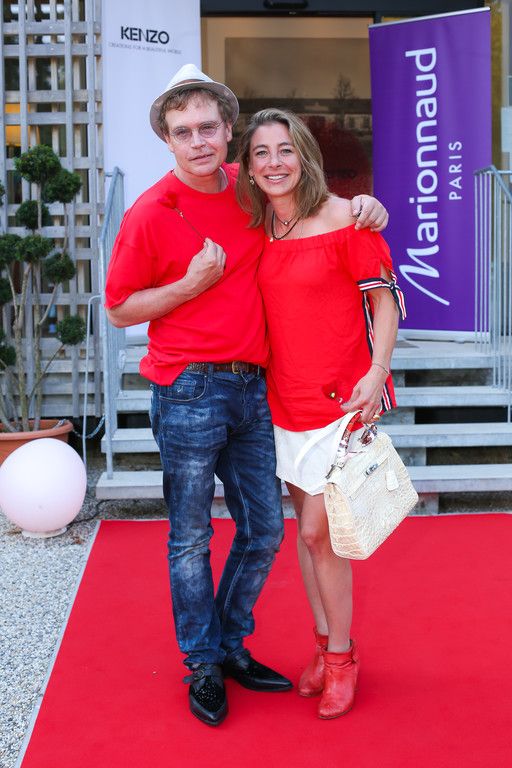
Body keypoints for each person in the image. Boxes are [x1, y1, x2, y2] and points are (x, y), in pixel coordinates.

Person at [104, 63, 389, 727]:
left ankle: (231, 644)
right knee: (191, 536)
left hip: (257, 386)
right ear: (167, 139)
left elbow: (312, 205)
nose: (198, 140)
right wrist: (191, 283)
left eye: (208, 127)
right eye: (183, 131)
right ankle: (204, 661)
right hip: (188, 388)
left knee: (264, 531)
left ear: (228, 130)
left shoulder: (248, 188)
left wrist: (367, 207)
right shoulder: (150, 212)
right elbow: (118, 309)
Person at [236, 108, 404, 720]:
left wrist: (377, 371)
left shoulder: (346, 219)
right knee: (307, 541)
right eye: (261, 152)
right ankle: (322, 644)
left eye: (285, 149)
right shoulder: (256, 229)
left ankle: (341, 658)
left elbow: (385, 301)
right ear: (248, 167)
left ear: (304, 155)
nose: (274, 162)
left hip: (342, 400)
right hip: (283, 403)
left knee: (317, 533)